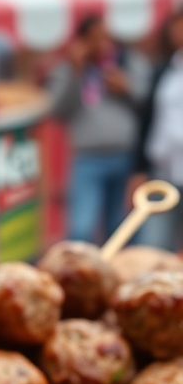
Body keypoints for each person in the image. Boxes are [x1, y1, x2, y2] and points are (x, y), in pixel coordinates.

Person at [50, 14, 148, 243]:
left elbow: (150, 104)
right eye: (94, 39)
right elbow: (57, 111)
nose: (102, 45)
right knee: (81, 228)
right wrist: (75, 74)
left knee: (121, 227)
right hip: (88, 159)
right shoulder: (68, 71)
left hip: (125, 157)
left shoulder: (127, 64)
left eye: (106, 39)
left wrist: (127, 88)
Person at [134, 8, 183, 252]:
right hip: (163, 171)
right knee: (155, 246)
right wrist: (139, 168)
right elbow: (147, 121)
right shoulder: (163, 70)